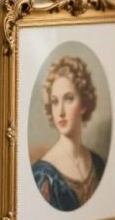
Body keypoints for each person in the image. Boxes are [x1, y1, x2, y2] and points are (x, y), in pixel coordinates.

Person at [32, 55, 106, 211]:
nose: (61, 112)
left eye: (68, 99)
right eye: (55, 101)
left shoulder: (98, 163)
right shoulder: (43, 175)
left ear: (83, 104)